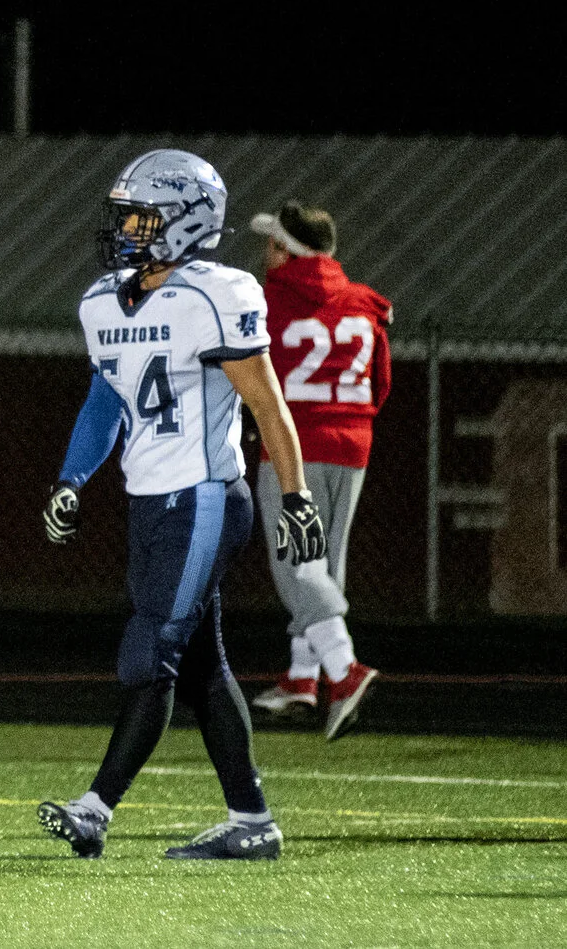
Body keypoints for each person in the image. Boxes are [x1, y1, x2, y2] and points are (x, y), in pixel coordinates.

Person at [37, 150, 327, 862]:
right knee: (201, 666)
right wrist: (72, 476)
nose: (127, 229)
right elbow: (107, 398)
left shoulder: (216, 293)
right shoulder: (103, 300)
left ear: (185, 220)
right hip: (149, 501)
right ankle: (252, 821)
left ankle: (94, 808)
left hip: (202, 497)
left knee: (151, 650)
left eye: (142, 216)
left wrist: (296, 494)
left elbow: (265, 400)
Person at [246, 201, 387, 738]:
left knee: (297, 566)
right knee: (325, 560)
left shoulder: (269, 300)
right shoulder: (362, 301)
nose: (266, 254)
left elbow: (249, 369)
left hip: (294, 445)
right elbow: (381, 380)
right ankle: (304, 677)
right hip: (353, 441)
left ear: (287, 250)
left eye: (272, 245)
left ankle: (344, 671)